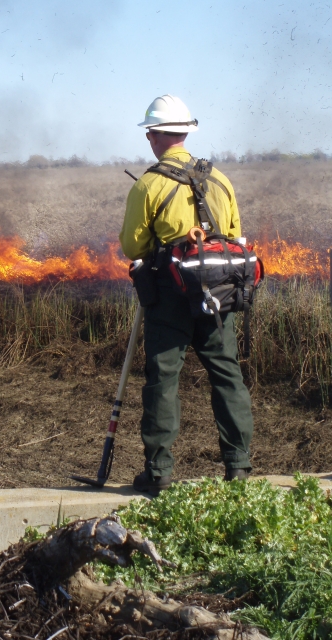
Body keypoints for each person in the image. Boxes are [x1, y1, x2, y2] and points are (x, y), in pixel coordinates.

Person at [119, 95, 254, 496]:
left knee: (163, 379)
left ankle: (159, 473)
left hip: (169, 297)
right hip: (219, 295)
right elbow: (232, 236)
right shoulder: (220, 180)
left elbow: (133, 247)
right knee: (227, 375)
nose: (149, 140)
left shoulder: (149, 184)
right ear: (186, 132)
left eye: (150, 133)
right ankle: (239, 468)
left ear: (157, 135)